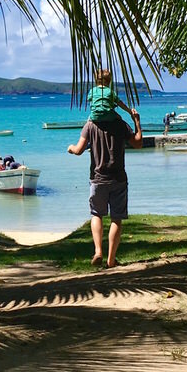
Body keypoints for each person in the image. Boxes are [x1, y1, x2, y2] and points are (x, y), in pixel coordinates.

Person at [67, 107, 142, 268]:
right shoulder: (121, 124)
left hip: (97, 179)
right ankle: (111, 260)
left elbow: (79, 150)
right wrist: (136, 121)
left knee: (97, 215)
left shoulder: (90, 125)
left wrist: (70, 148)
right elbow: (138, 143)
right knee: (116, 218)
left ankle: (98, 251)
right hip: (118, 179)